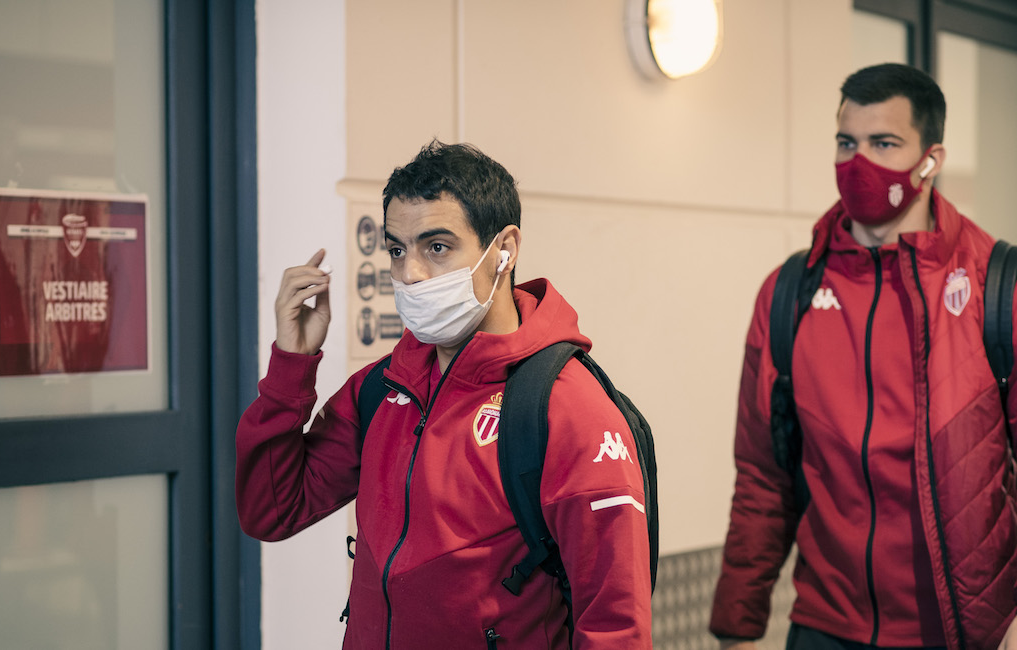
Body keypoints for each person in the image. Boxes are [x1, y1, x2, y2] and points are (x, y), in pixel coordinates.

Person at [236, 141, 651, 648]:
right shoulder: (383, 388)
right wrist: (291, 365)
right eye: (397, 250)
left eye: (436, 247)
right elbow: (272, 510)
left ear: (504, 249)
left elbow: (614, 626)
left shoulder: (565, 407)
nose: (410, 273)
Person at [709, 63, 1017, 650]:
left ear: (930, 159)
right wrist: (736, 627)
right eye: (847, 142)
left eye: (884, 143)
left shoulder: (995, 286)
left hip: (959, 630)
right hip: (824, 627)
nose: (859, 162)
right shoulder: (789, 293)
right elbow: (762, 476)